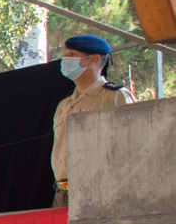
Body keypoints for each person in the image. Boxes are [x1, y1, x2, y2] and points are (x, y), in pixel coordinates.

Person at [50, 34, 133, 208]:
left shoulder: (114, 96)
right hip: (62, 193)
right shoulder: (64, 105)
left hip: (98, 191)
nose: (66, 59)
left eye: (72, 54)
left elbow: (131, 146)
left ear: (93, 59)